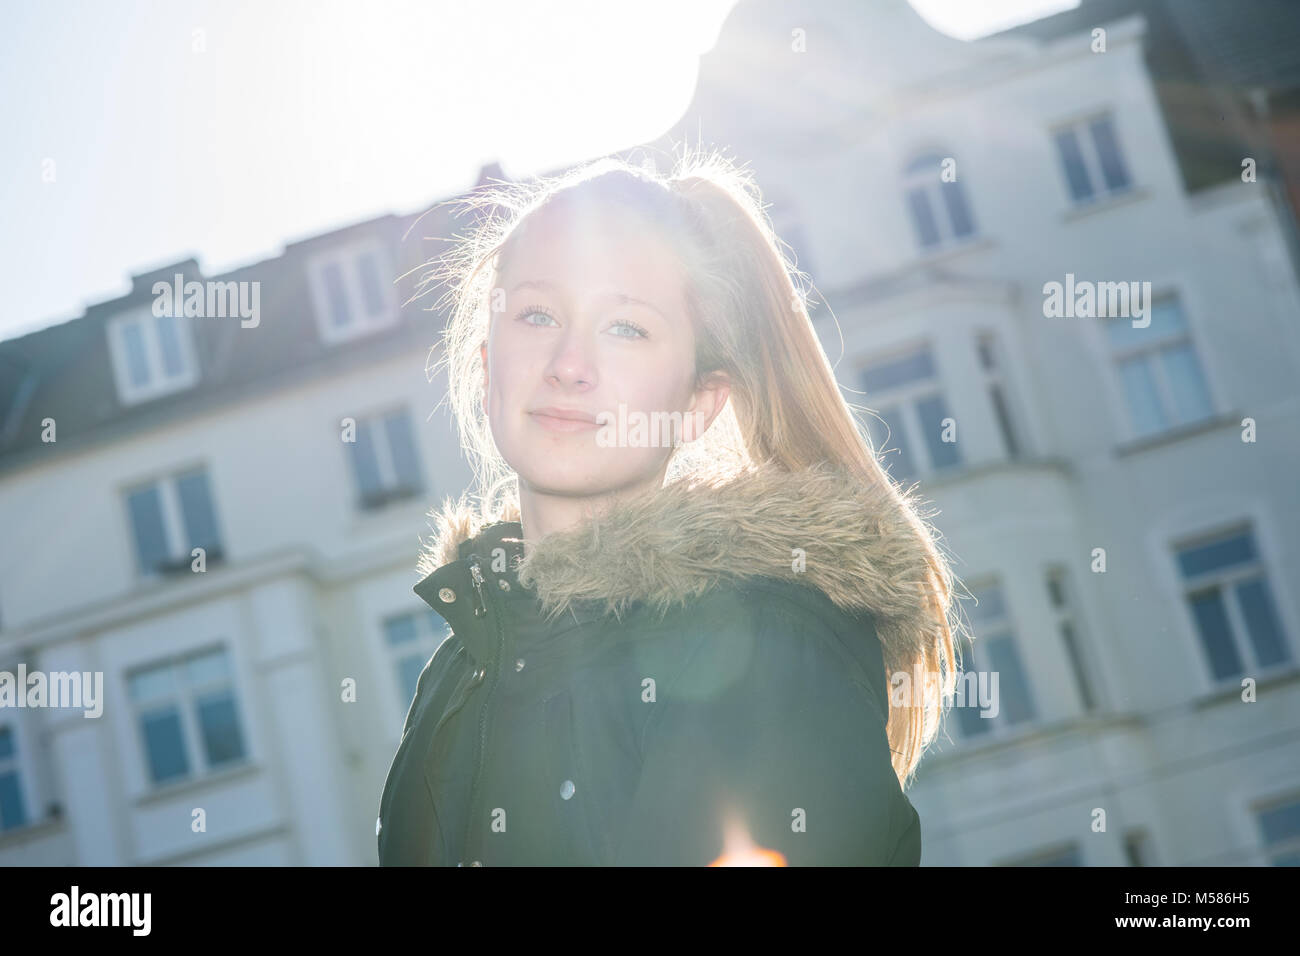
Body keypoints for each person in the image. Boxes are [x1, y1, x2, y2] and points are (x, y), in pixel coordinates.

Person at [376, 149, 963, 866]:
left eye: (625, 327)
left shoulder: (772, 648)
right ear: (485, 359)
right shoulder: (455, 671)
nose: (568, 363)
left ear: (697, 404)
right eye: (536, 314)